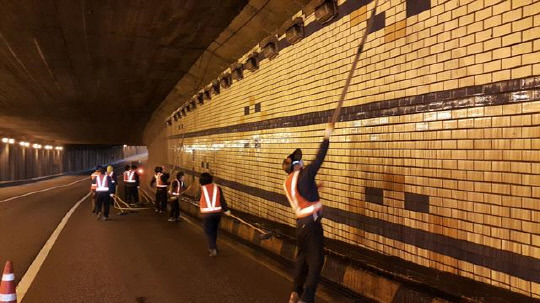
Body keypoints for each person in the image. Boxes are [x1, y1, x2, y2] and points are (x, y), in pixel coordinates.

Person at [283, 123, 333, 303]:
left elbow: (302, 192)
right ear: (296, 166)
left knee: (301, 260)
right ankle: (306, 298)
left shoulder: (289, 182)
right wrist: (327, 136)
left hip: (300, 227)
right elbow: (320, 158)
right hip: (312, 227)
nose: (301, 162)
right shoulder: (305, 175)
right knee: (316, 263)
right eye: (297, 161)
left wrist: (313, 187)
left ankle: (295, 293)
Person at [199, 173, 229, 257]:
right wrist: (226, 210)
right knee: (214, 230)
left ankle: (212, 248)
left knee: (208, 231)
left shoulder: (202, 189)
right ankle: (214, 246)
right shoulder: (217, 188)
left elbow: (198, 198)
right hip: (217, 213)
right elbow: (222, 200)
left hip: (207, 214)